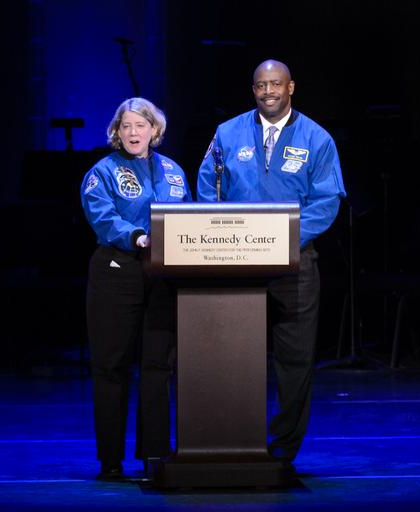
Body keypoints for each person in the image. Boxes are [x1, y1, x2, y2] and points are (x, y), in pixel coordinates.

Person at [197, 59, 344, 468]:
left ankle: (283, 447)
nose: (268, 92)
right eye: (261, 85)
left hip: (294, 263)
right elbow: (208, 185)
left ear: (291, 87)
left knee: (294, 360)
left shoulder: (316, 138)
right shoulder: (228, 132)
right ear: (253, 89)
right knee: (231, 353)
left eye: (276, 84)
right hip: (236, 262)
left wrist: (284, 241)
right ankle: (231, 435)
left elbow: (327, 201)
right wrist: (221, 233)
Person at [80, 96, 190, 480]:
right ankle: (111, 460)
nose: (132, 132)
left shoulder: (174, 172)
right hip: (117, 272)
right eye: (125, 126)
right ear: (116, 132)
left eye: (140, 125)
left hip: (162, 278)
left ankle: (154, 455)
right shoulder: (103, 172)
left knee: (157, 366)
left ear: (154, 130)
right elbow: (103, 218)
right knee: (111, 368)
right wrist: (138, 236)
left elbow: (186, 217)